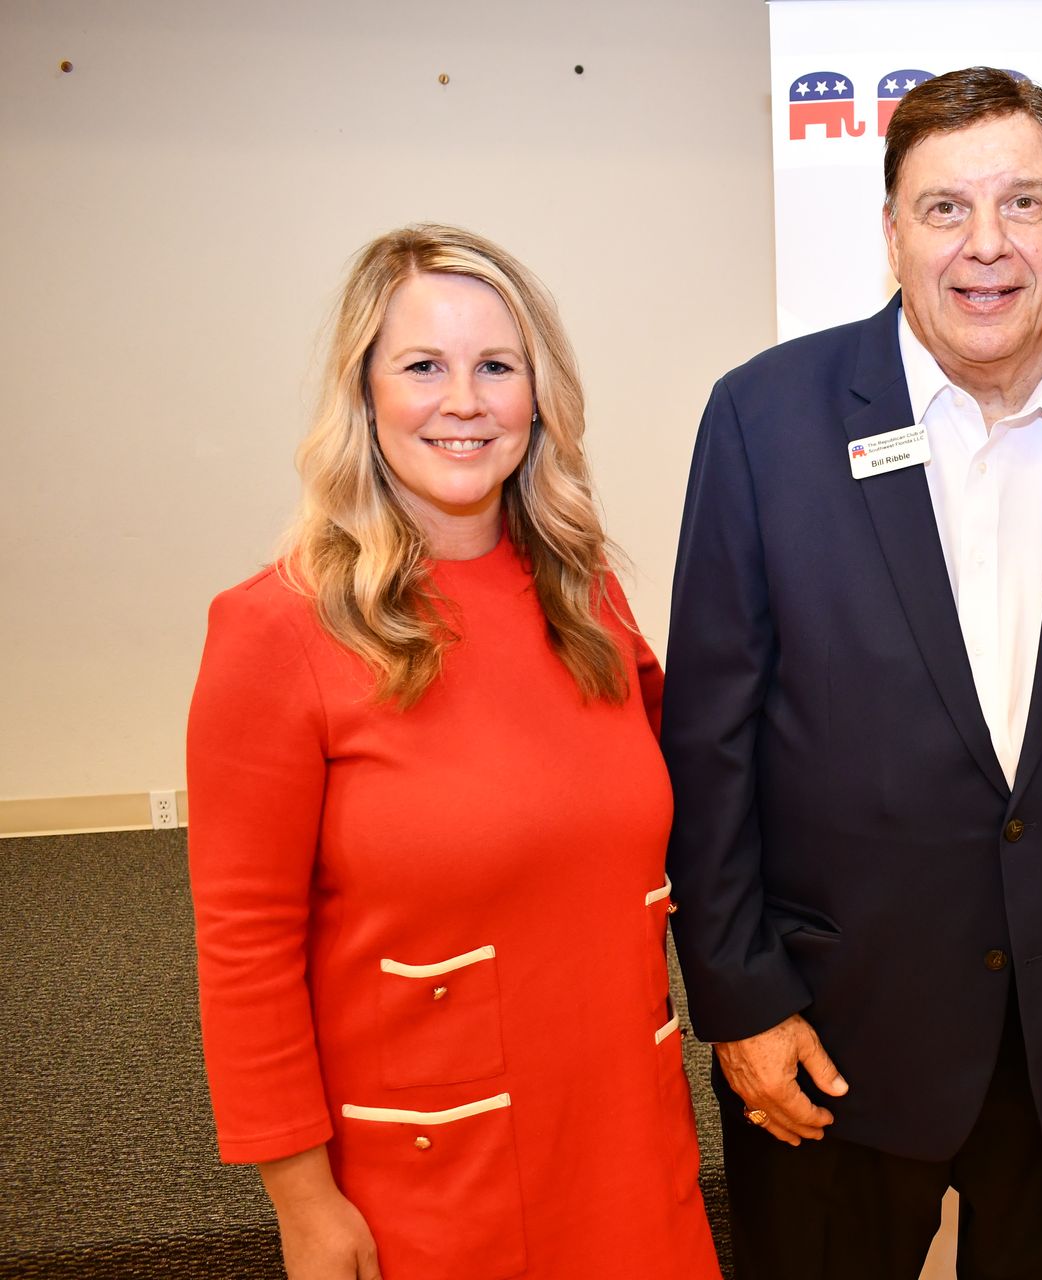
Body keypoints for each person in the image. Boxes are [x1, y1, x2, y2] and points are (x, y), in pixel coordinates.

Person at [661, 67, 1042, 1280]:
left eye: (1024, 202)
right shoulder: (765, 421)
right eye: (945, 208)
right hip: (833, 1040)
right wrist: (742, 999)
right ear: (891, 232)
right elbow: (709, 746)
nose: (988, 244)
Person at [186, 225, 720, 1280]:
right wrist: (302, 1201)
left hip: (628, 1145)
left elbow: (693, 808)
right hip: (433, 1186)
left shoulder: (588, 598)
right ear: (365, 393)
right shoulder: (277, 629)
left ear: (540, 396)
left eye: (497, 367)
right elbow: (244, 947)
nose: (465, 401)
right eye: (424, 366)